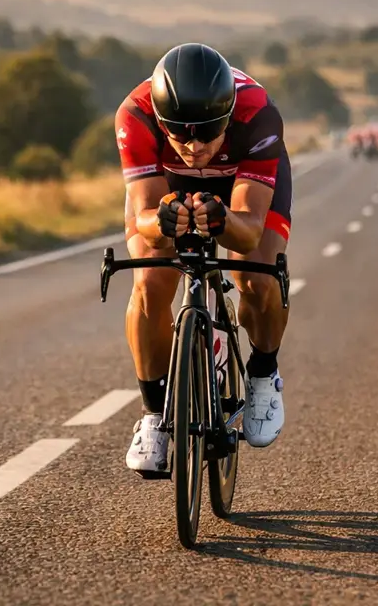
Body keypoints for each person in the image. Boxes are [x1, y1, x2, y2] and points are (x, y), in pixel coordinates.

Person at [114, 43, 293, 476]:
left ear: (228, 117)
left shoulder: (258, 115)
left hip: (241, 184)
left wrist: (222, 217)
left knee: (256, 278)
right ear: (160, 120)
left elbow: (249, 232)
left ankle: (263, 374)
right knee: (150, 283)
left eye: (207, 133)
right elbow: (145, 218)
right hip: (166, 183)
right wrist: (166, 218)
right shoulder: (134, 115)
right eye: (179, 133)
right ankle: (154, 414)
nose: (194, 146)